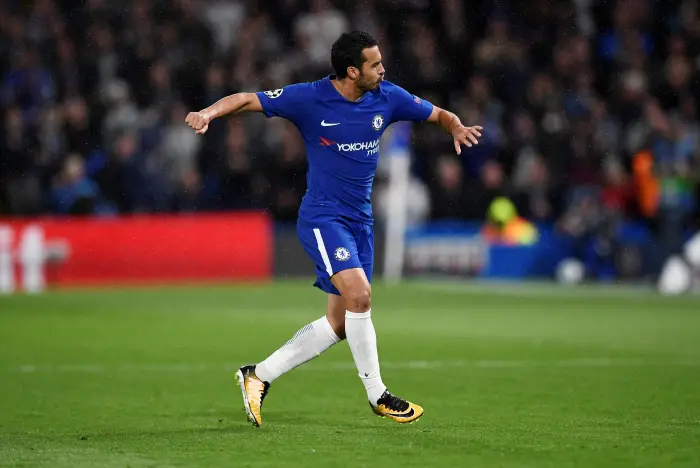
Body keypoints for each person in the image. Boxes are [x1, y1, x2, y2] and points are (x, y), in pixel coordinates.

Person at [185, 31, 483, 426]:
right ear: (351, 70)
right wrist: (208, 113)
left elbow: (437, 114)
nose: (382, 69)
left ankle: (258, 375)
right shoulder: (309, 98)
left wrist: (456, 127)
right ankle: (378, 395)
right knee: (360, 296)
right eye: (374, 64)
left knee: (340, 323)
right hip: (324, 217)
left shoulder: (388, 97)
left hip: (360, 221)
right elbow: (247, 99)